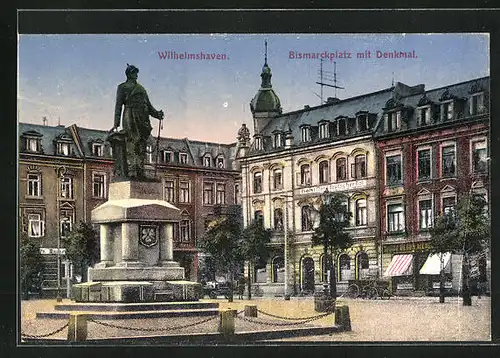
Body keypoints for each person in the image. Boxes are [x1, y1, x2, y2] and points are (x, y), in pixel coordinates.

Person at [109, 64, 164, 178]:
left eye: (137, 73)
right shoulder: (122, 87)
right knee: (131, 141)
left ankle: (140, 170)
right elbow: (118, 106)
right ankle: (132, 170)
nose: (136, 75)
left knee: (141, 144)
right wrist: (116, 123)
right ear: (129, 74)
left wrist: (157, 114)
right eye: (134, 73)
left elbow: (148, 106)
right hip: (130, 115)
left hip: (143, 118)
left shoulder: (142, 89)